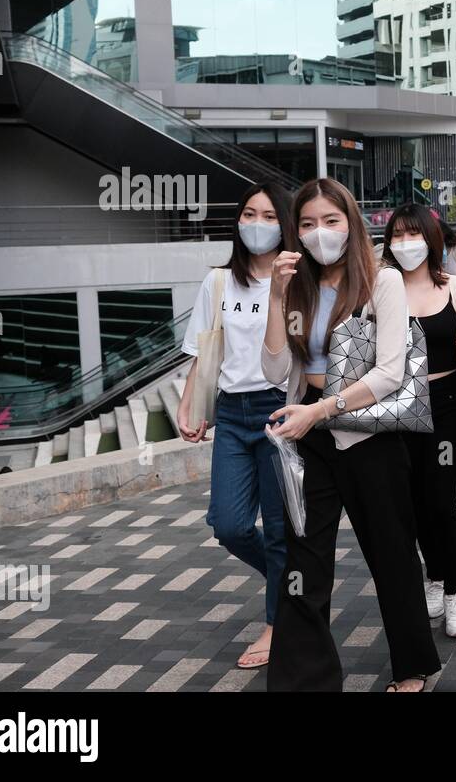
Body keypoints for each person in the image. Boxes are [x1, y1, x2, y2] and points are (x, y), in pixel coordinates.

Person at [263, 177, 440, 692]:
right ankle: (304, 679)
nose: (321, 233)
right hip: (310, 439)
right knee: (304, 559)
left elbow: (390, 372)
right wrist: (275, 297)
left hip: (368, 439)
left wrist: (320, 410)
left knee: (391, 553)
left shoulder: (381, 283)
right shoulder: (294, 285)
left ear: (352, 222)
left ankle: (413, 667)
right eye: (309, 224)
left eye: (331, 221)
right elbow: (275, 369)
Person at [177, 182, 292, 671]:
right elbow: (205, 349)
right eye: (249, 213)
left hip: (279, 411)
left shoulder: (297, 278)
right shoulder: (219, 281)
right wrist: (191, 403)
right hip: (231, 411)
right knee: (228, 524)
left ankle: (277, 622)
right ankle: (293, 583)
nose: (258, 224)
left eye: (269, 216)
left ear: (285, 224)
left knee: (282, 527)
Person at [380, 203, 456, 638]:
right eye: (398, 235)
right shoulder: (378, 289)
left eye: (415, 234)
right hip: (396, 405)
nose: (406, 243)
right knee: (409, 502)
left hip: (447, 402)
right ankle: (433, 578)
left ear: (432, 239)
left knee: (440, 500)